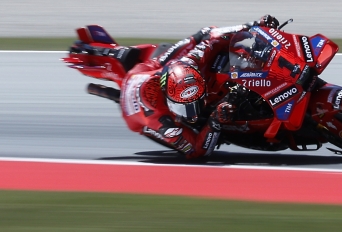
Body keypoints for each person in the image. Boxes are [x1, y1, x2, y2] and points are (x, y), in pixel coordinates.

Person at [119, 15, 280, 158]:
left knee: (203, 34)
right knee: (187, 142)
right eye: (187, 106)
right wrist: (214, 121)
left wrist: (253, 25)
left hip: (148, 69)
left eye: (197, 101)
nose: (193, 113)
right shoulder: (161, 121)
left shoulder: (191, 61)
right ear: (169, 101)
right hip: (136, 112)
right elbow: (196, 150)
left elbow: (214, 35)